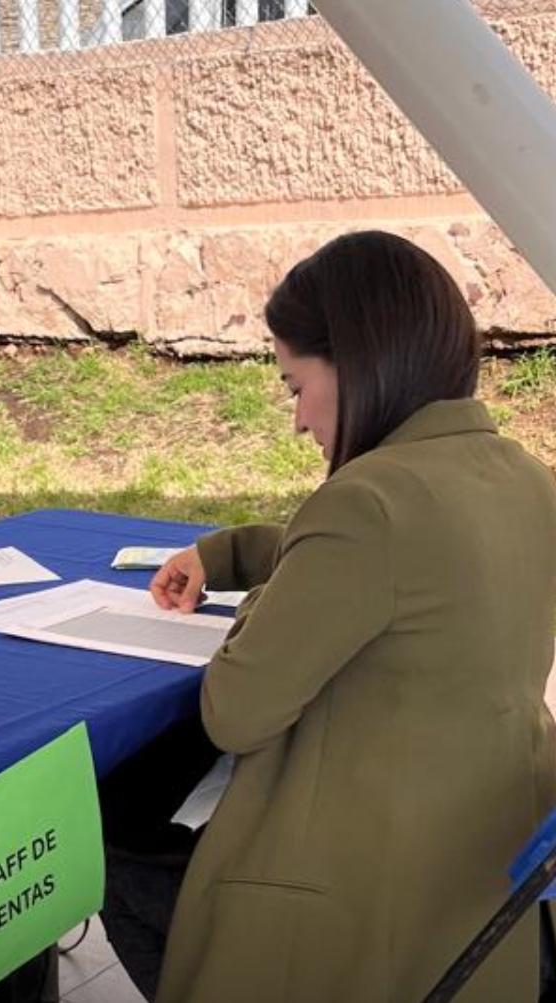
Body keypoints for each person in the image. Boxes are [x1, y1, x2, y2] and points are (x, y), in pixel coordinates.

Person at [100, 230, 556, 1002]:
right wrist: (231, 553)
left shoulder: (366, 504)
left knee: (102, 848)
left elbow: (234, 712)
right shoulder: (523, 479)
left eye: (293, 384)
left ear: (358, 362)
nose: (298, 419)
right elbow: (399, 568)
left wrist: (257, 600)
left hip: (345, 914)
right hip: (474, 893)